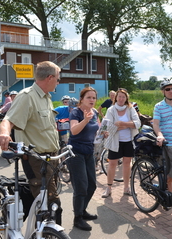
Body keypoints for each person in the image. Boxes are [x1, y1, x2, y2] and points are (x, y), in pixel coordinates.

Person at [0, 61, 63, 224]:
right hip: (36, 159)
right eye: (58, 79)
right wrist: (4, 134)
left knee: (42, 204)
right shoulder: (27, 96)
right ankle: (50, 233)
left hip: (51, 158)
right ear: (49, 77)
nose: (58, 82)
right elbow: (8, 121)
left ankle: (39, 231)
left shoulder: (46, 97)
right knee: (53, 205)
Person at [67, 87, 100, 231]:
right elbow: (74, 131)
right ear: (82, 99)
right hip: (75, 153)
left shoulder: (95, 113)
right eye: (89, 97)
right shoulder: (76, 112)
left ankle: (82, 210)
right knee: (81, 186)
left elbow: (96, 129)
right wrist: (85, 120)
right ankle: (77, 218)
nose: (92, 100)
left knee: (91, 185)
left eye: (94, 98)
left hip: (89, 152)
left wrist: (103, 133)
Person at [101, 88, 141, 198]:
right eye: (119, 96)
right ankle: (108, 188)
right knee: (112, 164)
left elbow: (138, 123)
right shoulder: (111, 110)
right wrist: (128, 125)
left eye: (123, 97)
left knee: (127, 164)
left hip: (128, 141)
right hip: (115, 141)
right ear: (115, 98)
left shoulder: (130, 109)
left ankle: (126, 188)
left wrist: (122, 124)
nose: (121, 99)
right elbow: (109, 126)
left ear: (126, 98)